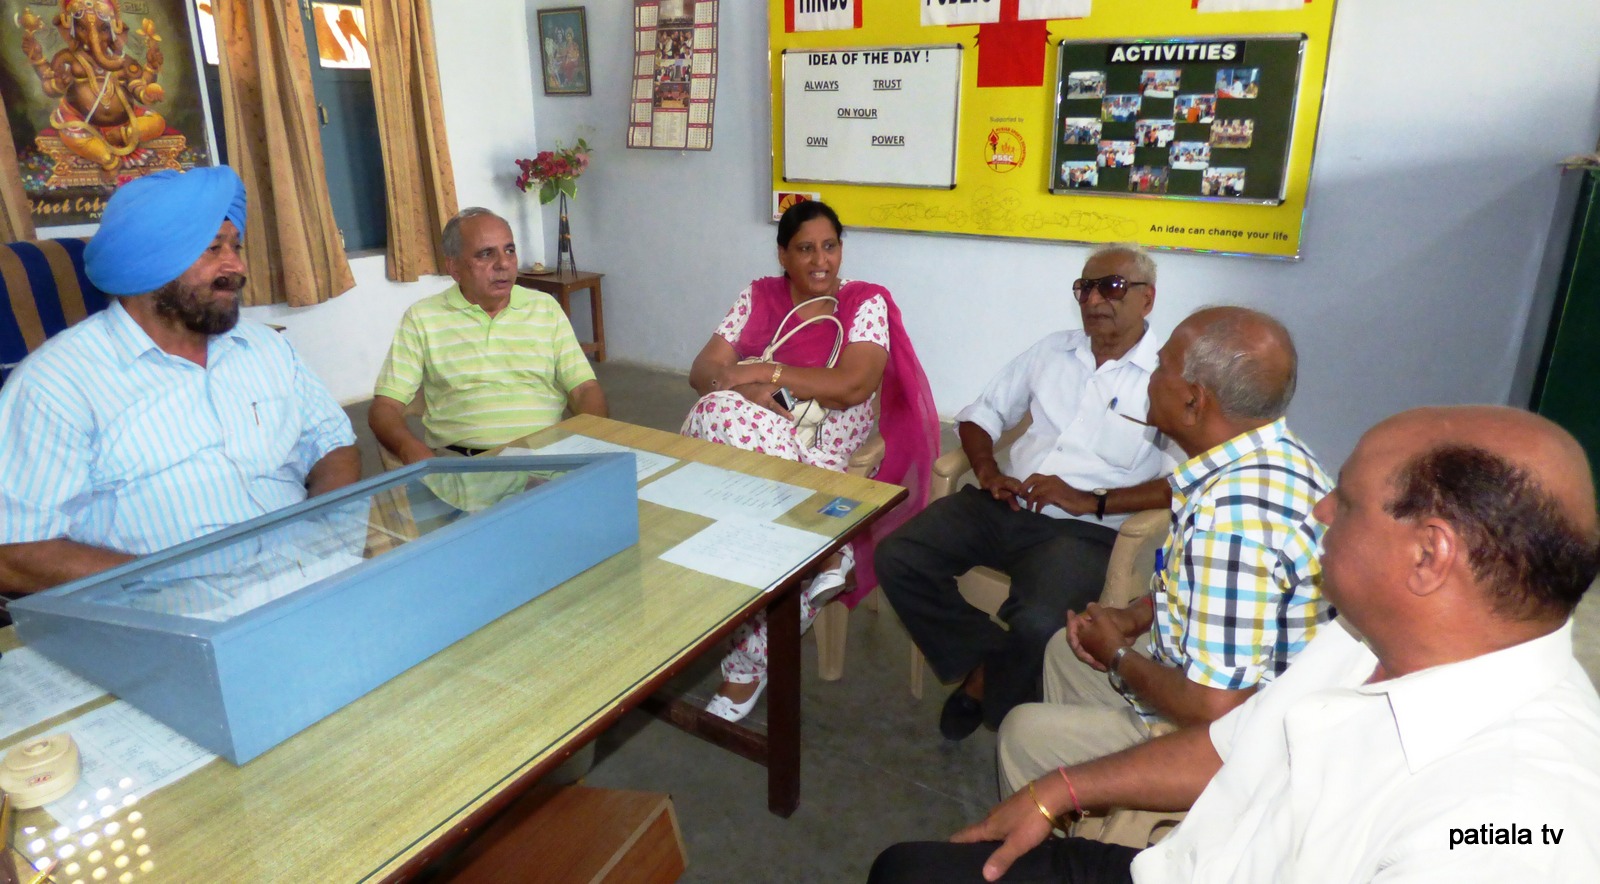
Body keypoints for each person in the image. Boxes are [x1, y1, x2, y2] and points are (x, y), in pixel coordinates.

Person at [869, 405, 1600, 883]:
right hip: (1187, 867)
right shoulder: (1366, 636)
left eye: (1346, 501)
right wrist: (1056, 790)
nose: (1321, 509)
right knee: (906, 871)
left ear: (1429, 555)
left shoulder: (1514, 823)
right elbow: (1232, 744)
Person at [997, 307, 1332, 845]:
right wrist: (1135, 616)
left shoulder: (1234, 521)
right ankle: (1093, 820)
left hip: (1237, 743)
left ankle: (1074, 835)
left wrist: (1118, 656)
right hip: (1226, 686)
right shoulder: (1269, 457)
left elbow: (1216, 711)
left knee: (1022, 734)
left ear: (1193, 401)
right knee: (1065, 647)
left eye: (1162, 365)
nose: (1151, 373)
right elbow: (1207, 591)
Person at [0, 166, 360, 595]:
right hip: (175, 611)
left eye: (236, 246)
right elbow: (14, 552)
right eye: (212, 249)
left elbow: (332, 442)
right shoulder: (55, 386)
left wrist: (325, 534)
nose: (237, 266)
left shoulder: (266, 347)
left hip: (315, 579)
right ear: (148, 261)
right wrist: (169, 587)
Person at [877, 243, 1176, 741]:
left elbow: (1184, 482)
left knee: (1039, 621)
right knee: (898, 555)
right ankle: (990, 660)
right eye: (1085, 288)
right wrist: (988, 471)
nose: (1094, 299)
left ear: (1148, 299)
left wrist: (1092, 500)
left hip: (1084, 532)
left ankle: (995, 707)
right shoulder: (1052, 351)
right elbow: (982, 414)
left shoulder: (1169, 378)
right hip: (1006, 503)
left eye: (1112, 287)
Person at [682, 199, 939, 722]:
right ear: (782, 254)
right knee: (719, 413)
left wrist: (761, 372)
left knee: (721, 420)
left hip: (829, 447)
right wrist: (743, 390)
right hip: (761, 449)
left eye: (830, 246)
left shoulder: (863, 302)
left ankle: (746, 667)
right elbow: (704, 369)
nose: (820, 260)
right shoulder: (758, 296)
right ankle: (830, 540)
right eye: (805, 249)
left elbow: (853, 386)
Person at [370, 207, 607, 464]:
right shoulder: (422, 318)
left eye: (509, 250)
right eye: (486, 254)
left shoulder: (545, 308)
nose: (503, 264)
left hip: (547, 459)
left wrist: (591, 440)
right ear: (454, 268)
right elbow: (385, 406)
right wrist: (411, 449)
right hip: (467, 466)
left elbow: (584, 389)